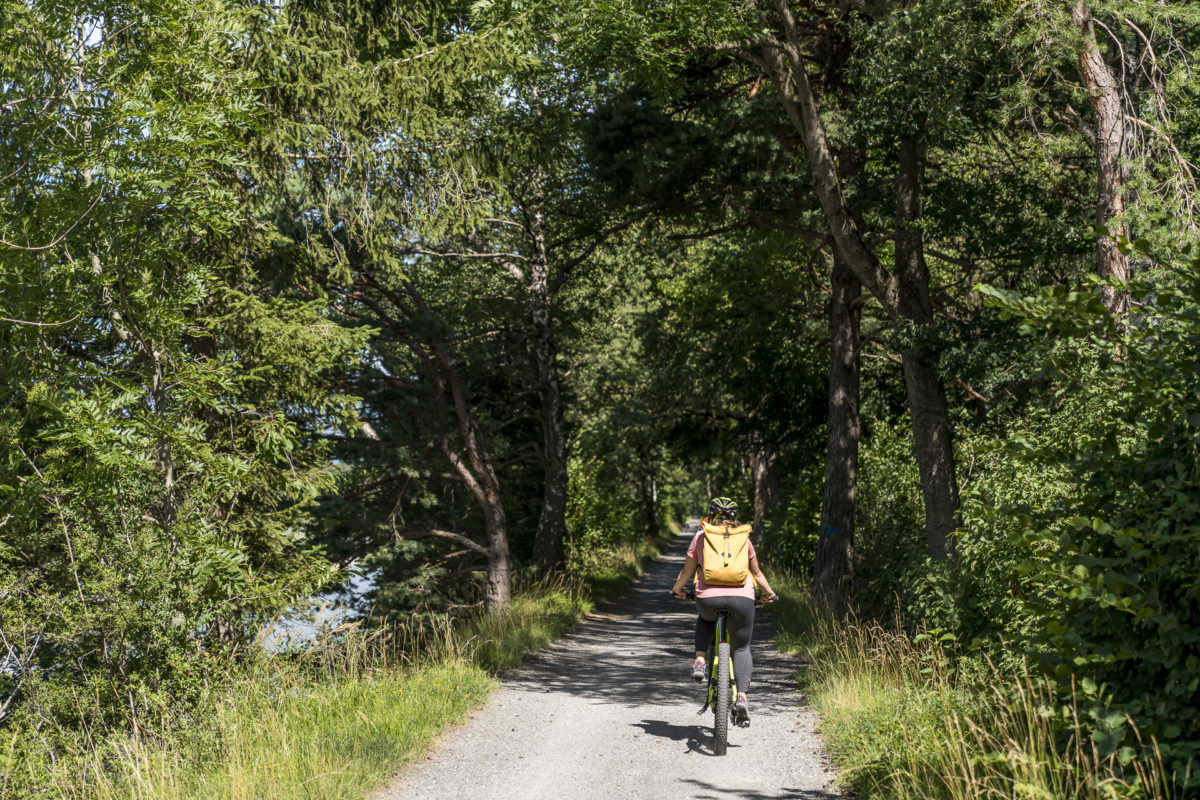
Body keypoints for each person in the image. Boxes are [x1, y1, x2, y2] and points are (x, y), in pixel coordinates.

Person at [671, 496, 777, 726]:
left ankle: (700, 660)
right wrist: (769, 594)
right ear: (734, 518)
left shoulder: (701, 536)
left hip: (708, 600)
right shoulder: (743, 539)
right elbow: (757, 575)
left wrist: (677, 589)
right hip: (742, 601)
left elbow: (687, 571)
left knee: (706, 618)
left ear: (711, 514)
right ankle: (741, 697)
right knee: (743, 647)